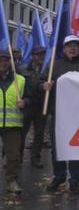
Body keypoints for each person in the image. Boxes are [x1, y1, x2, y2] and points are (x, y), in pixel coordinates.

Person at [42, 35, 79, 194]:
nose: (73, 48)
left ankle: (74, 180)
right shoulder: (54, 66)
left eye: (76, 46)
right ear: (64, 49)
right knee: (57, 148)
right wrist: (43, 85)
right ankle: (59, 177)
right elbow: (39, 81)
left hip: (77, 115)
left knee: (75, 148)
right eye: (69, 46)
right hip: (58, 114)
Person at [0, 50, 28, 193]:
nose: (2, 63)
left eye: (5, 60)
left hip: (13, 125)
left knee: (13, 156)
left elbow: (30, 98)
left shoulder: (20, 80)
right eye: (0, 60)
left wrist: (25, 102)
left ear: (10, 62)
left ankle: (11, 181)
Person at [19, 46, 46, 168]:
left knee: (39, 134)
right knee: (21, 133)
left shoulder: (47, 70)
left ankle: (35, 158)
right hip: (26, 106)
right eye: (38, 54)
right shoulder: (22, 69)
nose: (41, 56)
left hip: (41, 106)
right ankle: (17, 157)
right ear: (33, 55)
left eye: (43, 54)